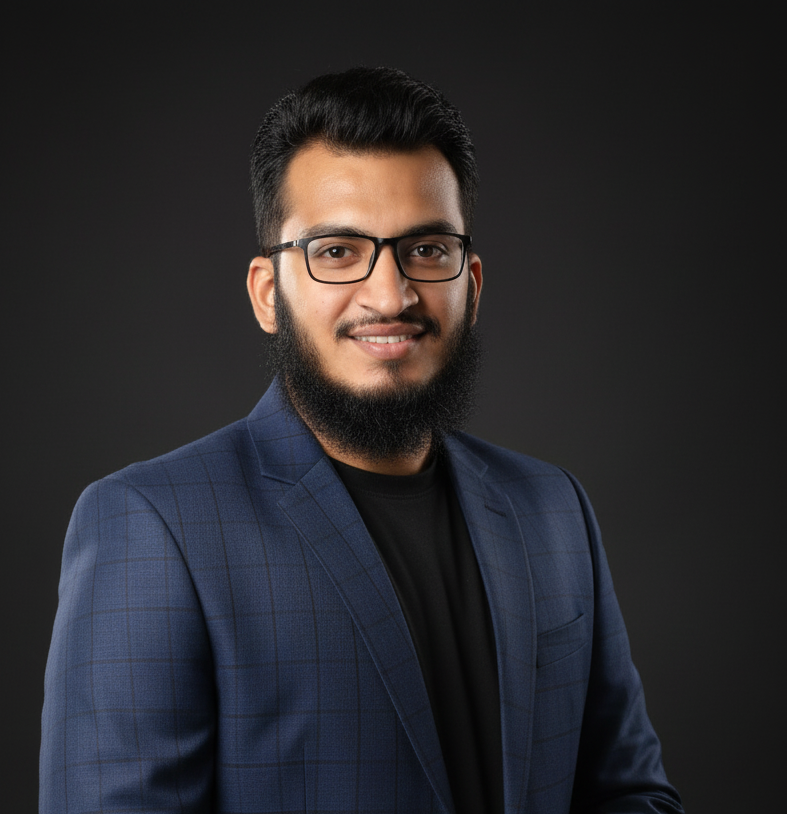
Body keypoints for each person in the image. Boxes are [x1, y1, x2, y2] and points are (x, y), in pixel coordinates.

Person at [40, 67, 684, 814]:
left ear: (472, 284)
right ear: (267, 294)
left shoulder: (553, 509)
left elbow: (632, 796)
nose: (390, 295)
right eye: (338, 251)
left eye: (427, 249)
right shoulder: (150, 526)